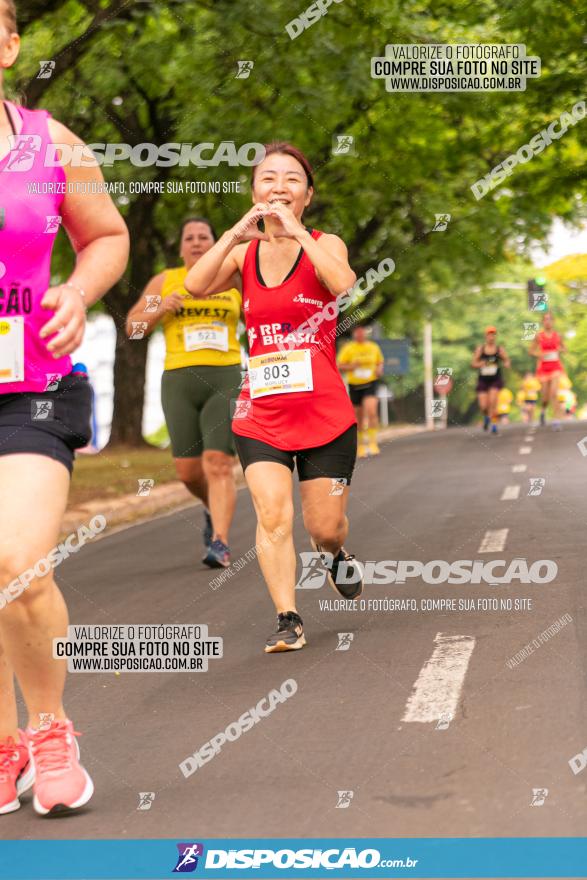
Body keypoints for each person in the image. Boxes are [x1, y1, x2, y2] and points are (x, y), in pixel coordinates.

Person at [0, 1, 129, 815]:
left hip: (32, 385)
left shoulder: (51, 144)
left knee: (16, 560)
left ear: (9, 44)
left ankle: (49, 729)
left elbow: (107, 235)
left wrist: (78, 291)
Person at [184, 141, 364, 653]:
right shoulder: (243, 255)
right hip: (261, 412)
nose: (279, 186)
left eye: (291, 179)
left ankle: (332, 553)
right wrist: (234, 234)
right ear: (254, 190)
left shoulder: (328, 244)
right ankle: (289, 617)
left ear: (308, 193)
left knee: (323, 526)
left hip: (325, 413)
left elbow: (343, 283)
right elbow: (197, 285)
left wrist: (299, 233)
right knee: (271, 516)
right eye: (268, 178)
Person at [126, 218, 241, 568]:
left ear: (215, 242)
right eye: (188, 237)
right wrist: (160, 307)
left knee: (218, 463)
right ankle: (211, 508)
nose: (196, 243)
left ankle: (220, 542)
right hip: (179, 379)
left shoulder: (233, 275)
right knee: (188, 472)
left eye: (203, 236)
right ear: (180, 248)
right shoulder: (166, 280)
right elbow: (133, 328)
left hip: (225, 375)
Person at [337, 325, 384, 457]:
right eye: (357, 333)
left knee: (372, 411)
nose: (360, 334)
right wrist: (352, 366)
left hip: (371, 382)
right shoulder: (348, 348)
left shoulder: (373, 347)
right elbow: (339, 365)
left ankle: (373, 442)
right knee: (359, 416)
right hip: (355, 385)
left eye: (362, 332)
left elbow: (380, 362)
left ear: (365, 333)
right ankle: (361, 445)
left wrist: (380, 369)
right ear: (354, 334)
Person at [529, 312, 566, 429]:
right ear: (542, 322)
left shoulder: (558, 335)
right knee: (545, 397)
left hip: (555, 367)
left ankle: (556, 420)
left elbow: (564, 348)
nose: (548, 321)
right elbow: (531, 351)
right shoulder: (538, 336)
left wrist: (560, 350)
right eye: (545, 319)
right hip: (543, 369)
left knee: (554, 393)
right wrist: (539, 354)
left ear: (553, 321)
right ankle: (543, 410)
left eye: (550, 319)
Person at [471, 327, 510, 434]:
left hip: (495, 379)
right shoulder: (481, 349)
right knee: (484, 406)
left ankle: (494, 425)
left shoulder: (499, 349)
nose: (491, 337)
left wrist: (507, 363)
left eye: (493, 334)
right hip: (483, 379)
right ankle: (486, 417)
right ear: (486, 336)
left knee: (493, 402)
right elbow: (473, 363)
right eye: (489, 334)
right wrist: (480, 364)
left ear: (495, 336)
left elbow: (506, 359)